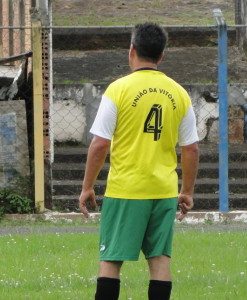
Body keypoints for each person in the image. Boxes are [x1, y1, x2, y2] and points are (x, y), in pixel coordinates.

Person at [78, 22, 199, 300]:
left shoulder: (118, 90)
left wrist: (87, 187)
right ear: (162, 56)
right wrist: (187, 192)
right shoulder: (179, 94)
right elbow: (191, 149)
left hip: (126, 190)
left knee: (111, 260)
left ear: (131, 50)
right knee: (160, 260)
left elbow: (100, 144)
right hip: (164, 191)